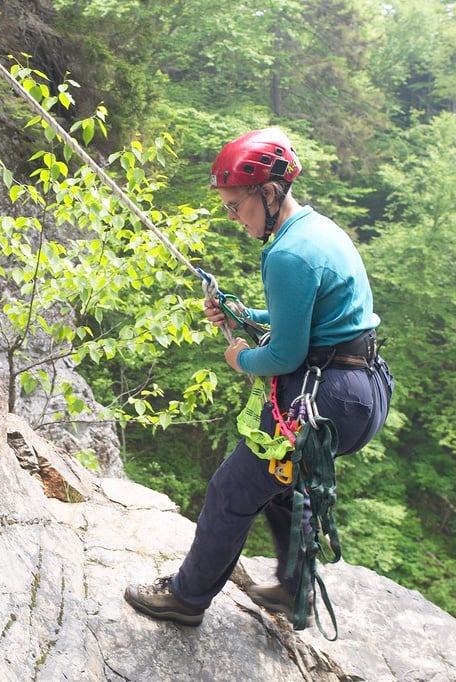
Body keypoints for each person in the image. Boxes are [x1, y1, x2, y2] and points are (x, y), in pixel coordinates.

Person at [124, 127, 394, 627]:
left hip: (327, 395)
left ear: (268, 193)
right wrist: (247, 312)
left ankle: (186, 598)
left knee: (231, 490)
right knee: (280, 484)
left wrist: (240, 359)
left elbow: (286, 356)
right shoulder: (318, 230)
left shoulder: (286, 254)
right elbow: (311, 317)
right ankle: (295, 592)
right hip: (363, 389)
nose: (233, 217)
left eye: (235, 205)